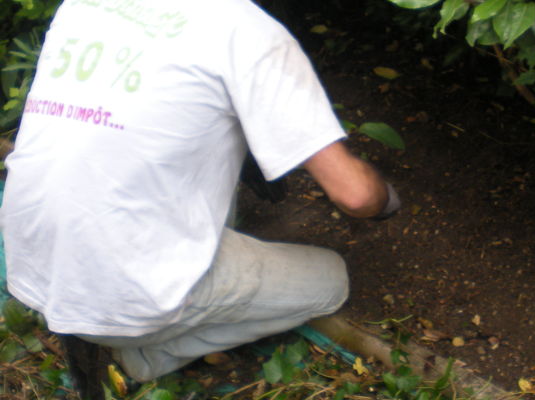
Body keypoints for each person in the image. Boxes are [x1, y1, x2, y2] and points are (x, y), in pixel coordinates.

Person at [0, 0, 399, 396]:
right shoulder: (246, 31)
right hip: (125, 292)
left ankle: (124, 319)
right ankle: (149, 353)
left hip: (30, 264)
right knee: (331, 280)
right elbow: (357, 196)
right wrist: (387, 199)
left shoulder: (83, 5)